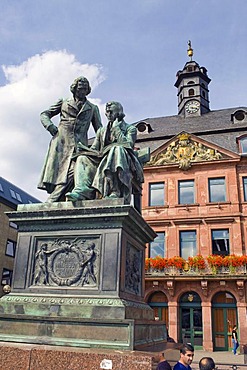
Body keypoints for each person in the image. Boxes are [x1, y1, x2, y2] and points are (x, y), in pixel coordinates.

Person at [38, 76, 102, 202]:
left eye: (85, 88)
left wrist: (98, 146)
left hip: (80, 145)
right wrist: (50, 126)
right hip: (61, 142)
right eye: (80, 88)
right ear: (74, 89)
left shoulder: (92, 108)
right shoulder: (63, 102)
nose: (82, 91)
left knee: (73, 170)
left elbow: (99, 129)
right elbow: (44, 114)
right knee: (59, 172)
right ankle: (60, 198)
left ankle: (55, 198)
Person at [65, 101, 144, 203]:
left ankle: (115, 191)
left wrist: (116, 129)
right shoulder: (101, 131)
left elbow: (128, 145)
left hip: (123, 159)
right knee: (82, 158)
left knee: (117, 149)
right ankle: (82, 191)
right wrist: (84, 149)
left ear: (119, 113)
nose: (109, 115)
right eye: (107, 112)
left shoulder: (130, 129)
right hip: (102, 159)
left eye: (111, 112)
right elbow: (95, 149)